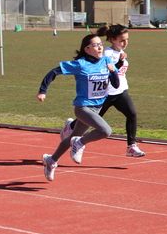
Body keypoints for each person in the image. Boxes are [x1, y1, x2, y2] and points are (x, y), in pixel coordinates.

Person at [38, 34, 120, 181]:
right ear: (87, 49)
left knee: (71, 138)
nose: (100, 46)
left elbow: (116, 84)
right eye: (95, 45)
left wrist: (113, 71)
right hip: (83, 108)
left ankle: (51, 160)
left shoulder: (107, 61)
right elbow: (53, 72)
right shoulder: (80, 64)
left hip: (97, 107)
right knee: (105, 131)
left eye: (100, 43)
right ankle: (80, 142)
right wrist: (43, 91)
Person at [60, 24, 145, 157]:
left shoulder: (120, 53)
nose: (125, 43)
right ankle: (70, 127)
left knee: (132, 114)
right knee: (90, 121)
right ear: (112, 39)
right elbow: (107, 69)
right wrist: (119, 63)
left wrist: (121, 61)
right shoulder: (106, 53)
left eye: (127, 39)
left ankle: (131, 146)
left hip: (120, 91)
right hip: (105, 94)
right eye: (122, 40)